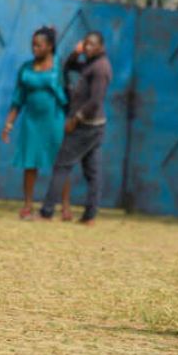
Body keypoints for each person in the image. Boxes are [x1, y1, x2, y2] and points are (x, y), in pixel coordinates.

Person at [37, 31, 112, 225]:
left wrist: (76, 119)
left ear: (101, 47)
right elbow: (68, 67)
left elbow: (95, 101)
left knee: (61, 166)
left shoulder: (100, 68)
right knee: (93, 172)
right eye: (85, 44)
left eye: (91, 45)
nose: (87, 47)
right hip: (93, 126)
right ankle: (89, 216)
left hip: (85, 126)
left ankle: (46, 212)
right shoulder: (90, 63)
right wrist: (75, 53)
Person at [1, 26, 72, 220]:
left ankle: (65, 207)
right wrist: (9, 124)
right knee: (30, 163)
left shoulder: (58, 67)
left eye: (39, 45)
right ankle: (28, 206)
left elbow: (68, 89)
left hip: (54, 121)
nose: (34, 48)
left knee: (60, 164)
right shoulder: (25, 69)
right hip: (31, 122)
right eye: (33, 45)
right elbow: (18, 99)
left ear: (49, 47)